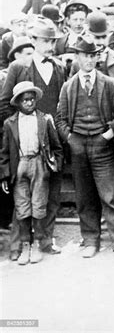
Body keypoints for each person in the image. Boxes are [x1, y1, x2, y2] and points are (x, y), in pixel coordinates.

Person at [55, 35, 114, 262]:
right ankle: (90, 240)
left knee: (109, 195)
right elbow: (59, 118)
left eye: (92, 55)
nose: (89, 60)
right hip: (78, 147)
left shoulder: (108, 83)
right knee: (85, 196)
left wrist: (107, 135)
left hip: (102, 147)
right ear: (77, 57)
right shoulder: (68, 87)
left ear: (97, 57)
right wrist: (70, 138)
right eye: (84, 55)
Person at [0, 17, 66, 260]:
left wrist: (58, 136)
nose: (49, 45)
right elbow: (5, 104)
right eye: (45, 41)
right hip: (24, 145)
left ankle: (45, 240)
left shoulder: (59, 67)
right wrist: (16, 134)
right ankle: (20, 245)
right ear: (34, 40)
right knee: (22, 196)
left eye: (53, 41)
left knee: (51, 193)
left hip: (51, 142)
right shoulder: (20, 67)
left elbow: (62, 104)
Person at [0, 81, 63, 265]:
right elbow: (4, 152)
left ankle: (37, 244)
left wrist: (55, 165)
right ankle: (24, 245)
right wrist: (4, 174)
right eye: (24, 100)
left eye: (31, 99)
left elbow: (56, 146)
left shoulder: (44, 119)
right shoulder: (10, 124)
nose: (29, 103)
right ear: (17, 103)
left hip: (38, 164)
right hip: (19, 165)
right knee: (22, 207)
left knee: (38, 205)